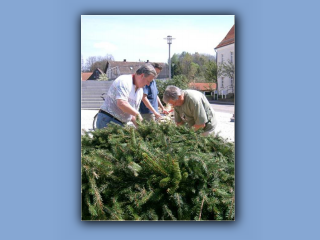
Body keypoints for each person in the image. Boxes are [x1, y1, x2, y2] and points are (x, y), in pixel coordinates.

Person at [96, 63, 157, 129]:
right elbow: (121, 103)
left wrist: (141, 128)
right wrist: (137, 114)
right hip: (108, 120)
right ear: (142, 75)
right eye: (148, 81)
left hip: (121, 123)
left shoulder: (140, 91)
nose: (148, 84)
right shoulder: (124, 81)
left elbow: (132, 114)